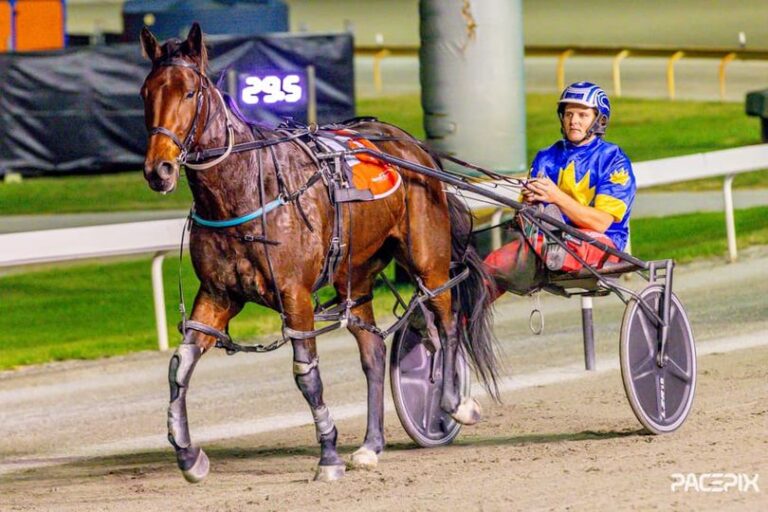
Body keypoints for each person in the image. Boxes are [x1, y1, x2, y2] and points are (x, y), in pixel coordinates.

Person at [484, 81, 636, 298]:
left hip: (601, 244)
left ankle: (548, 256)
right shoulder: (546, 156)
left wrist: (556, 196)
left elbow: (601, 223)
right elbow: (526, 216)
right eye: (568, 114)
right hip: (547, 240)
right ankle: (459, 316)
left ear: (599, 120)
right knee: (492, 264)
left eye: (582, 115)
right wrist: (528, 204)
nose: (573, 121)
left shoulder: (613, 159)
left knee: (561, 246)